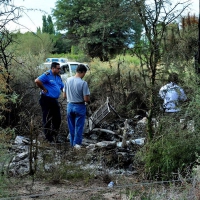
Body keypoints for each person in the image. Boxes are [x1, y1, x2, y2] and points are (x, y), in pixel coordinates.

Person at [35, 62, 64, 143]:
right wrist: (44, 89)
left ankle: (54, 137)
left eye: (59, 68)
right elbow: (37, 81)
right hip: (46, 99)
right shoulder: (47, 75)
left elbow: (62, 87)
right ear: (53, 68)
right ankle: (48, 138)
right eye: (58, 68)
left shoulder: (58, 77)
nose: (59, 70)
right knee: (47, 118)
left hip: (54, 100)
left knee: (57, 119)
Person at [63, 64, 90, 149]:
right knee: (78, 128)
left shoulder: (67, 80)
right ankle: (76, 146)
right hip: (80, 106)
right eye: (84, 73)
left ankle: (72, 145)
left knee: (71, 127)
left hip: (70, 106)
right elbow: (86, 99)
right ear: (82, 72)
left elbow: (64, 96)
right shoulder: (83, 83)